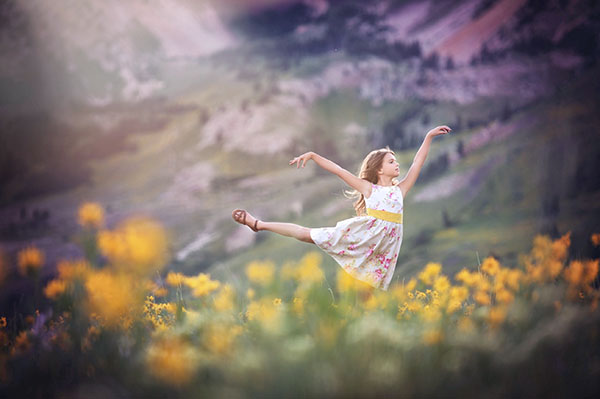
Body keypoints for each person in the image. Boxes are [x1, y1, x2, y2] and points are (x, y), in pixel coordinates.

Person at [232, 125, 451, 291]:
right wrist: (313, 156)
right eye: (391, 161)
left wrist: (428, 137)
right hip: (364, 236)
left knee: (368, 292)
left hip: (383, 248)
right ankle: (257, 224)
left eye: (395, 161)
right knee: (308, 235)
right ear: (379, 170)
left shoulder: (400, 190)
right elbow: (338, 170)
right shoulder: (369, 188)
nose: (397, 164)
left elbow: (417, 163)